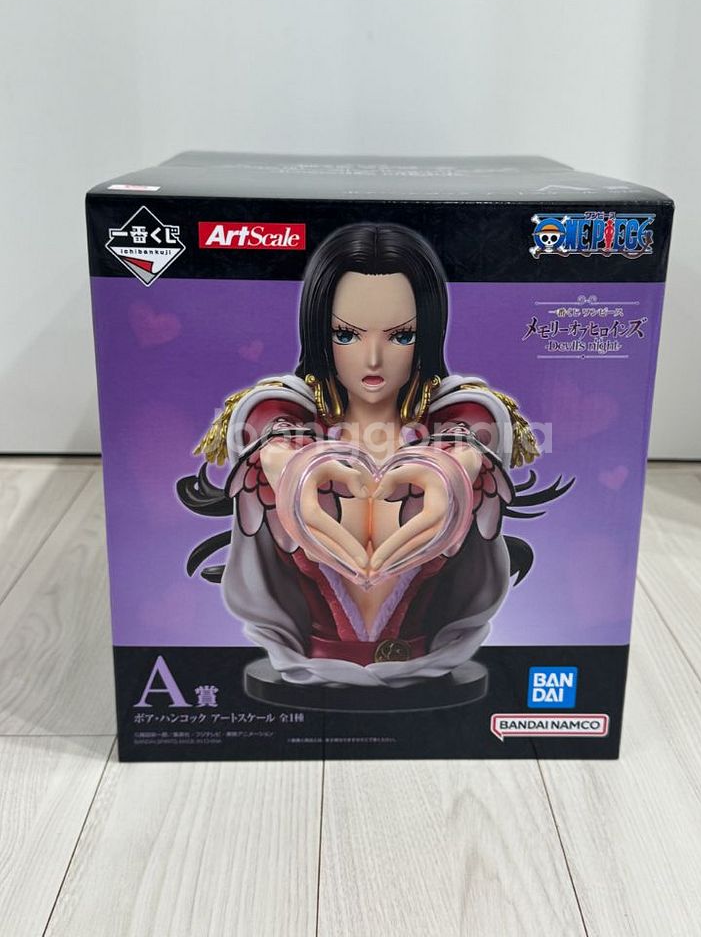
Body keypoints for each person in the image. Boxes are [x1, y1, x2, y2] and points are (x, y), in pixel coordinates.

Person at [178, 223, 570, 688]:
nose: (373, 360)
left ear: (427, 334)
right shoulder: (286, 427)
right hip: (307, 673)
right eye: (347, 335)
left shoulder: (453, 428)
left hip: (429, 673)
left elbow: (473, 427)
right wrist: (293, 465)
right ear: (319, 332)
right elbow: (269, 422)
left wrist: (450, 470)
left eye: (401, 336)